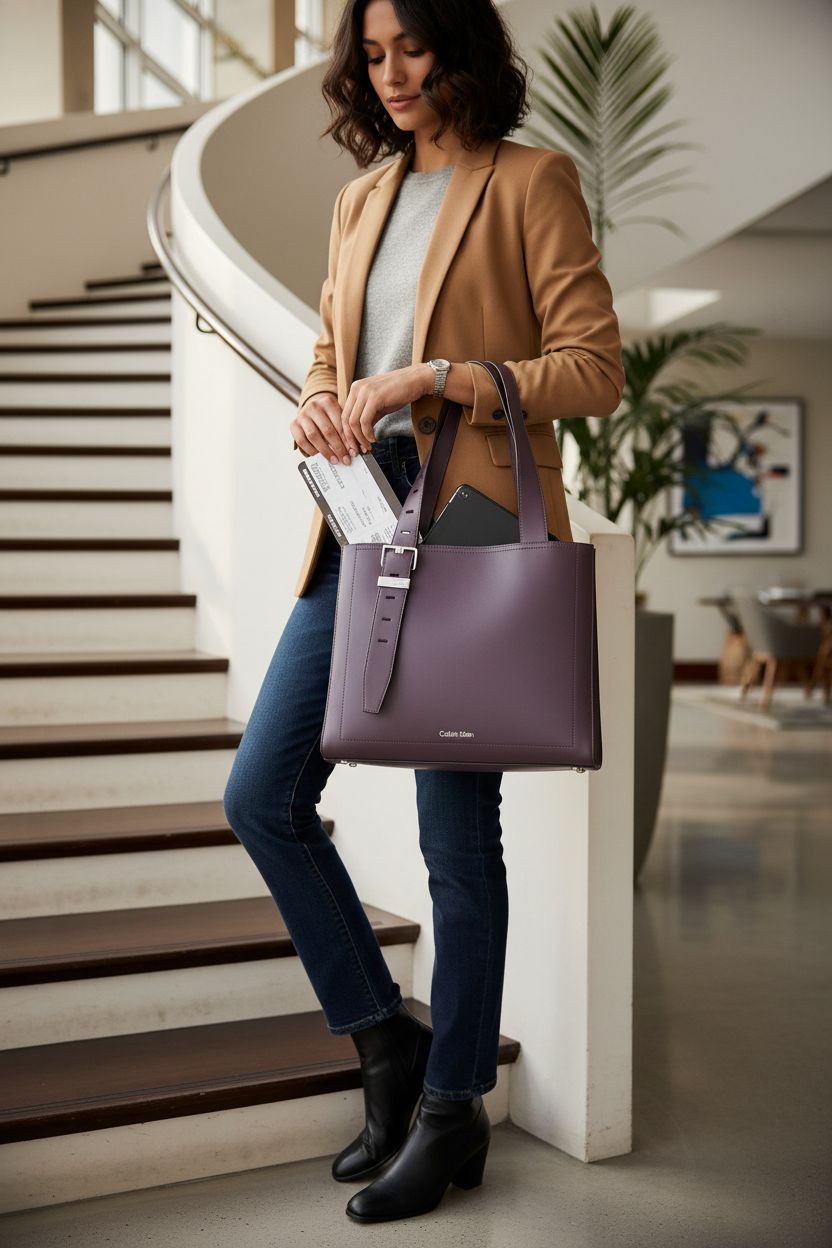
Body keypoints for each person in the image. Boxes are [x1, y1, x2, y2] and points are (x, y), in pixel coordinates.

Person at [222, 0, 624, 1225]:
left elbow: (594, 368)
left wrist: (435, 378)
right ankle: (383, 1042)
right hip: (357, 524)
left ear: (459, 48)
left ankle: (451, 1110)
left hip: (468, 529)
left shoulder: (531, 181)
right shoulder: (361, 200)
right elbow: (328, 357)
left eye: (413, 48)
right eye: (374, 56)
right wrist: (322, 401)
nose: (393, 75)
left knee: (456, 843)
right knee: (262, 795)